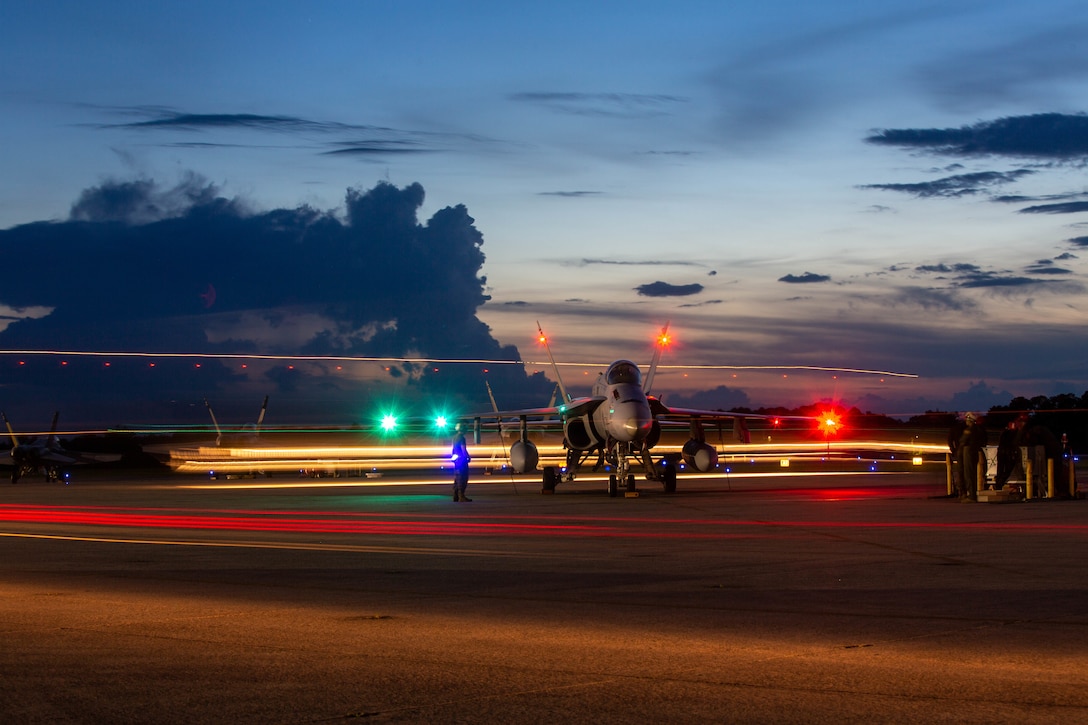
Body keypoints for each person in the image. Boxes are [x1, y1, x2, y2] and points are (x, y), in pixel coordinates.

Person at [957, 412, 986, 501]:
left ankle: (971, 496)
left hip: (968, 452)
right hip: (975, 452)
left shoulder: (969, 430)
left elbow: (962, 440)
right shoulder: (979, 429)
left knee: (968, 474)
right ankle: (971, 494)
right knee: (972, 474)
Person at [450, 423, 472, 502]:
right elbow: (463, 449)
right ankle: (461, 496)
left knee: (457, 478)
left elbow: (453, 449)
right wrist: (468, 457)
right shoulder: (462, 438)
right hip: (462, 460)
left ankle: (455, 496)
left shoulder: (454, 437)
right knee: (463, 478)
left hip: (456, 460)